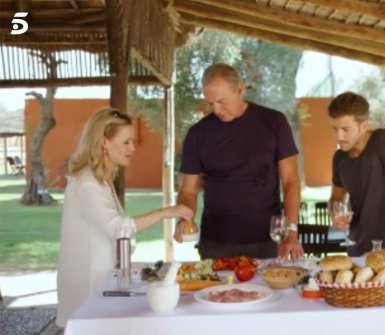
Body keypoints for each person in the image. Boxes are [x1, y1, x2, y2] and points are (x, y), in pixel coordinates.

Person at [56, 108, 193, 327]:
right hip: (89, 284)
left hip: (104, 279)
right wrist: (164, 212)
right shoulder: (88, 183)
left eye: (133, 141)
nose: (133, 148)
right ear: (104, 142)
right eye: (126, 142)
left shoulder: (102, 180)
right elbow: (117, 227)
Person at [174, 63, 303, 260]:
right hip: (215, 243)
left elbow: (291, 181)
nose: (216, 109)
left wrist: (291, 231)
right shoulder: (197, 134)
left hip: (266, 241)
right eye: (210, 103)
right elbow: (188, 190)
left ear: (240, 90)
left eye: (221, 101)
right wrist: (184, 219)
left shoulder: (274, 122)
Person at [327, 92, 385, 256]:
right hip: (355, 248)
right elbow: (336, 197)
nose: (339, 136)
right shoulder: (339, 157)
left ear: (363, 125)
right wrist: (335, 213)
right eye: (335, 129)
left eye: (345, 129)